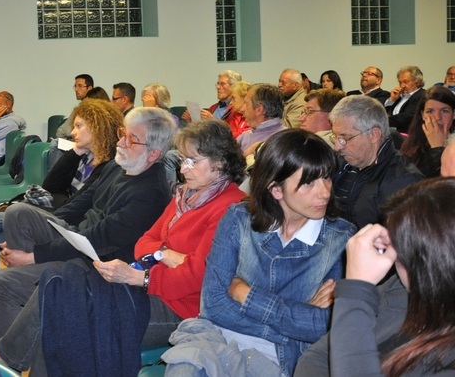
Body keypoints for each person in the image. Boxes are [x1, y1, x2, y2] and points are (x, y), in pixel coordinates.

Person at [16, 119, 247, 376]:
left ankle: (4, 359)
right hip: (151, 287)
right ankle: (11, 361)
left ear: (221, 163)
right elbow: (144, 243)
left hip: (184, 308)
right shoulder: (186, 196)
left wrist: (143, 277)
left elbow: (198, 276)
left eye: (193, 161)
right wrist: (165, 254)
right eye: (183, 159)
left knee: (69, 308)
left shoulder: (232, 207)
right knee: (59, 287)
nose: (184, 168)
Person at [163, 129, 355, 377]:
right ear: (275, 189)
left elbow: (324, 325)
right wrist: (293, 321)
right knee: (188, 367)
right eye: (309, 182)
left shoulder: (340, 240)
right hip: (215, 337)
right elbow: (212, 305)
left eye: (327, 178)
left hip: (280, 358)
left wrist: (246, 294)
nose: (325, 192)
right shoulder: (238, 220)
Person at [0, 107, 176, 344]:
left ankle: (15, 344)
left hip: (96, 262)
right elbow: (78, 205)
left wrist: (33, 256)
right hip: (78, 238)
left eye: (132, 139)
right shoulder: (118, 165)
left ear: (153, 154)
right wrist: (38, 241)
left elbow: (99, 239)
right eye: (122, 133)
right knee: (19, 212)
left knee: (0, 282)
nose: (122, 142)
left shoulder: (151, 193)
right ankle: (33, 303)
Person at [296, 178, 455, 376]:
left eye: (399, 254)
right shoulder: (402, 288)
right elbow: (317, 356)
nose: (392, 259)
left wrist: (357, 289)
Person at [0, 98, 124, 283]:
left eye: (78, 126)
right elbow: (50, 187)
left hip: (66, 224)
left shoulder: (108, 165)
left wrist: (37, 219)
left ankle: (4, 287)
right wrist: (75, 151)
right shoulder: (86, 156)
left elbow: (77, 208)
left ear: (96, 127)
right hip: (55, 213)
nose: (73, 132)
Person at [330, 95, 423, 229]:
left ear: (374, 134)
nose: (337, 147)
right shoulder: (342, 162)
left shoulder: (403, 181)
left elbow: (404, 242)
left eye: (345, 138)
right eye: (336, 137)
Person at [400, 87, 455, 177]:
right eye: (430, 111)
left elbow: (445, 186)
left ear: (454, 114)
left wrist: (437, 148)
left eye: (444, 111)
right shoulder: (411, 143)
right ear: (422, 114)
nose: (437, 118)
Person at [181, 70, 249, 138]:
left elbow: (231, 133)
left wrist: (215, 121)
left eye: (222, 84)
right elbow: (203, 131)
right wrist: (191, 122)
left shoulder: (237, 110)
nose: (218, 87)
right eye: (218, 84)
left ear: (234, 86)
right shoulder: (213, 107)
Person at [236, 83, 285, 155]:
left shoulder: (284, 141)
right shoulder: (244, 137)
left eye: (246, 104)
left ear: (259, 109)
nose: (242, 109)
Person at [384, 65, 425, 134]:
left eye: (406, 82)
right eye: (400, 82)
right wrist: (391, 100)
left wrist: (382, 122)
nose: (402, 86)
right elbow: (383, 113)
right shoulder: (399, 96)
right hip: (391, 133)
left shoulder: (422, 95)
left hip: (408, 135)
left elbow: (406, 117)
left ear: (418, 82)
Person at [54, 74, 94, 139]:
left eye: (80, 86)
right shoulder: (79, 107)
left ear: (89, 88)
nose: (76, 89)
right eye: (75, 86)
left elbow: (62, 131)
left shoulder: (90, 109)